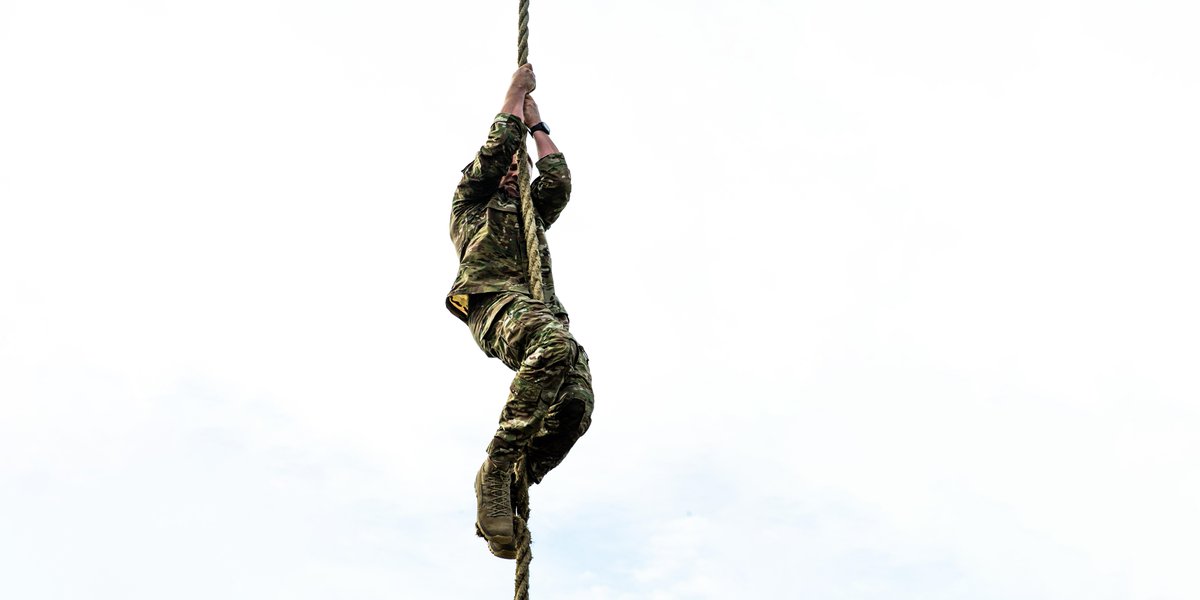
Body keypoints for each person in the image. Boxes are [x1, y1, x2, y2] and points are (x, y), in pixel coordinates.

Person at [445, 63, 593, 559]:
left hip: (541, 313)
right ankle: (498, 465)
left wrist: (539, 126)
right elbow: (494, 151)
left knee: (575, 402)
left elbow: (558, 181)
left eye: (519, 166)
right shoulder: (471, 202)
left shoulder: (528, 213)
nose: (513, 169)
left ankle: (513, 485)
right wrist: (514, 96)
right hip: (496, 306)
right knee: (552, 345)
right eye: (509, 165)